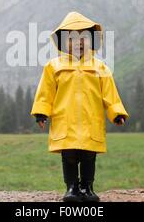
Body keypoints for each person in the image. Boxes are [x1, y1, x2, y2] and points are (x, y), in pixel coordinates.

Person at [31, 11, 129, 202]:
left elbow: (110, 94)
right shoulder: (53, 67)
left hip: (90, 121)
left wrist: (116, 113)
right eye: (72, 38)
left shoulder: (100, 68)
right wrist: (41, 112)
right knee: (68, 156)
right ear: (62, 42)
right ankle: (71, 188)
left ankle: (88, 188)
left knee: (88, 156)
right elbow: (45, 92)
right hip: (65, 121)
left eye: (84, 36)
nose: (78, 42)